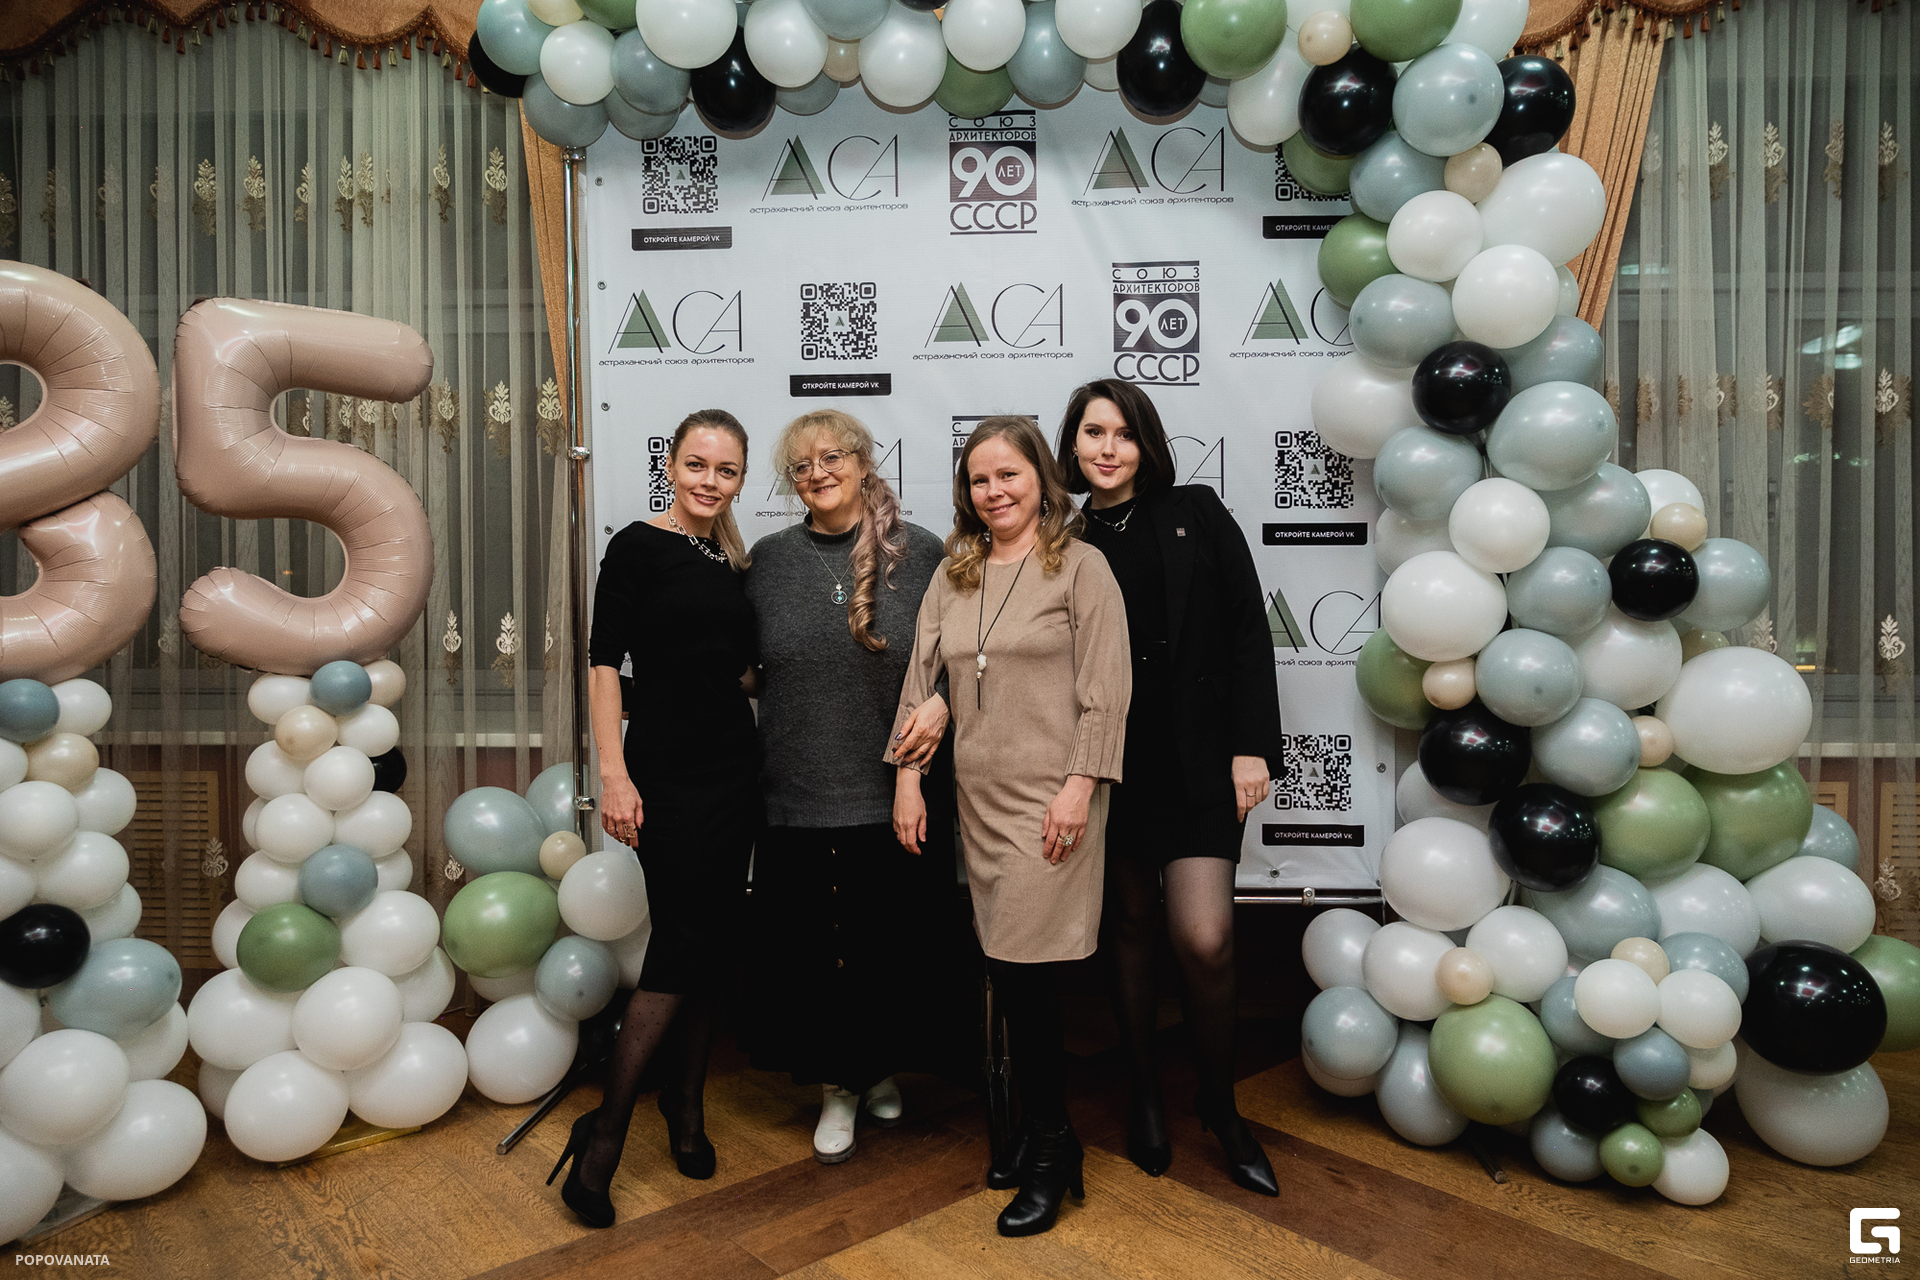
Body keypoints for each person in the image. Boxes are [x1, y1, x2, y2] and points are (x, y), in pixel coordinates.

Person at [888, 416, 1131, 1238]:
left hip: (1052, 799)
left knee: (1027, 975)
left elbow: (1107, 693)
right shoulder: (955, 573)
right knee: (1007, 967)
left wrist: (1080, 788)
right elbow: (922, 680)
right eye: (979, 479)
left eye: (1009, 475)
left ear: (1041, 481)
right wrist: (908, 780)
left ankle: (1052, 1145)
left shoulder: (1082, 567)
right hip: (978, 800)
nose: (994, 491)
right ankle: (1038, 1130)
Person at [1053, 379, 1284, 1197]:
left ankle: (1220, 1107)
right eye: (1092, 433)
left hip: (1201, 758)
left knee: (1205, 937)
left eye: (1122, 433)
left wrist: (1252, 748)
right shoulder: (1063, 540)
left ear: (1145, 443)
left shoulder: (1197, 512)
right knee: (1129, 927)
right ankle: (1146, 1096)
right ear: (1071, 446)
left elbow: (1248, 629)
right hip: (1110, 762)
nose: (1107, 448)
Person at [549, 410, 760, 1229]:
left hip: (735, 769)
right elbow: (605, 665)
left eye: (726, 470)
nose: (710, 480)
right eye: (697, 464)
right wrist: (615, 773)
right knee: (682, 939)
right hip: (666, 773)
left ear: (740, 480)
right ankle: (603, 1137)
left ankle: (687, 1106)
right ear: (670, 466)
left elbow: (737, 671)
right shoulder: (636, 546)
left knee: (711, 939)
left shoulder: (732, 562)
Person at [741, 408, 955, 1166]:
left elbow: (961, 658)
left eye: (833, 457)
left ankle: (875, 1067)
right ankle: (839, 1085)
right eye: (801, 466)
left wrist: (942, 706)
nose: (818, 473)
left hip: (897, 791)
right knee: (815, 953)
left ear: (865, 463)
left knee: (886, 948)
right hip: (794, 789)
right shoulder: (767, 561)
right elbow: (744, 668)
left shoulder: (922, 553)